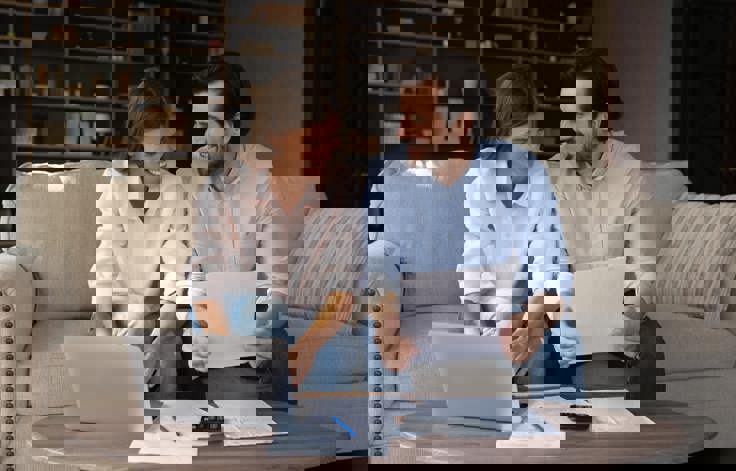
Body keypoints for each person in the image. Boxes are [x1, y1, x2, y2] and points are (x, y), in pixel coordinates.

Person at [366, 53, 578, 457]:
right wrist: (388, 331)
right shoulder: (394, 181)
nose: (405, 130)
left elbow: (552, 270)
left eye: (418, 118)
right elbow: (381, 263)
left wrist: (534, 321)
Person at [544, 49, 669, 398]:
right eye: (563, 116)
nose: (565, 128)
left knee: (624, 350)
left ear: (602, 120)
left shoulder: (634, 180)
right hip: (561, 319)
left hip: (615, 321)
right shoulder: (549, 178)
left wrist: (611, 318)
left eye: (575, 117)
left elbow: (642, 279)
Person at [90, 71, 197, 404]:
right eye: (157, 143)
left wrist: (171, 307)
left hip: (160, 301)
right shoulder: (114, 182)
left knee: (163, 332)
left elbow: (177, 256)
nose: (165, 152)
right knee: (127, 337)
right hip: (124, 298)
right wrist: (103, 304)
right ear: (138, 139)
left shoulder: (175, 188)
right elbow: (107, 249)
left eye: (168, 142)